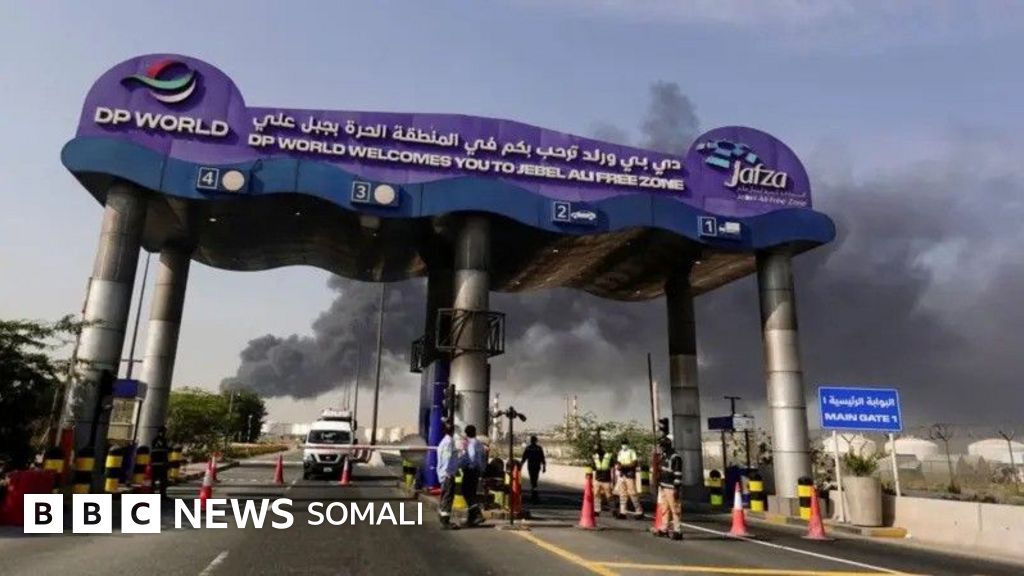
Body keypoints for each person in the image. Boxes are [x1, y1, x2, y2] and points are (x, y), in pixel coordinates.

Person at [653, 436, 684, 540]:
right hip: (663, 485)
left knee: (675, 509)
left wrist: (676, 488)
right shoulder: (663, 456)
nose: (660, 448)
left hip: (671, 487)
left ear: (666, 446)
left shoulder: (675, 457)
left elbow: (678, 474)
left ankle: (677, 530)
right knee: (664, 508)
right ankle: (664, 528)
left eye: (661, 446)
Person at [460, 425, 487, 527]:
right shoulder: (479, 444)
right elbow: (482, 459)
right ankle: (471, 519)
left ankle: (478, 514)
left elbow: (471, 458)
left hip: (470, 471)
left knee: (466, 492)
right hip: (476, 471)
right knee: (471, 493)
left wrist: (460, 464)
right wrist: (481, 470)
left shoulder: (471, 444)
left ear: (466, 434)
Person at [436, 421, 461, 530]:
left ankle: (443, 516)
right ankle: (445, 520)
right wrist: (448, 473)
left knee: (445, 496)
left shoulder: (444, 441)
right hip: (448, 474)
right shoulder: (449, 442)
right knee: (448, 497)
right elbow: (447, 457)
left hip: (446, 473)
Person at [614, 438, 644, 519]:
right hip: (622, 475)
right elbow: (618, 462)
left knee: (632, 493)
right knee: (622, 494)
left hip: (629, 474)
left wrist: (624, 466)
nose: (624, 445)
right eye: (623, 443)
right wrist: (620, 466)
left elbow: (634, 463)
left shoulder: (631, 451)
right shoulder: (620, 452)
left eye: (625, 443)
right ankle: (622, 512)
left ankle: (639, 511)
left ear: (628, 444)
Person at [520, 435, 546, 501]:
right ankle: (534, 494)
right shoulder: (539, 448)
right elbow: (542, 458)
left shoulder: (528, 448)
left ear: (531, 441)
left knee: (532, 479)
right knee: (535, 479)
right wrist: (544, 467)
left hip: (531, 466)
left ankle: (534, 493)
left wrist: (521, 466)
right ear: (536, 441)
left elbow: (524, 458)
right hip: (537, 466)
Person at [591, 443, 615, 515]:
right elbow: (594, 469)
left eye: (597, 449)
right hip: (598, 479)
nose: (596, 451)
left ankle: (613, 510)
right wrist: (593, 480)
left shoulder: (608, 456)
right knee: (596, 495)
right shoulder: (595, 456)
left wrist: (613, 480)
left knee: (609, 495)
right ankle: (597, 510)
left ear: (601, 449)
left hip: (606, 479)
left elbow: (612, 469)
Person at [150, 427, 170, 498]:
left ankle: (152, 493)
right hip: (161, 464)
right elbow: (165, 452)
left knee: (154, 480)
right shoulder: (163, 440)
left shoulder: (154, 440)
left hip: (154, 463)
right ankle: (162, 495)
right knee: (163, 480)